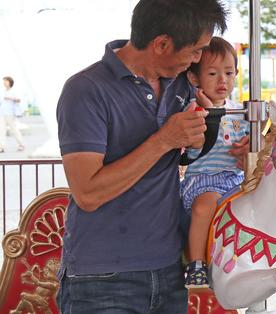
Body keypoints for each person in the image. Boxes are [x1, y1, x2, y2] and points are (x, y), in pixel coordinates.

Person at [55, 0, 227, 312]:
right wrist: (164, 140)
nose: (198, 60)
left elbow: (187, 155)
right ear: (162, 44)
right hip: (102, 277)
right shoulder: (85, 90)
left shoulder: (181, 84)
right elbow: (88, 193)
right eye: (195, 50)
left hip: (169, 267)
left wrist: (200, 137)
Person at [180, 36, 249, 288]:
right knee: (205, 206)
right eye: (212, 73)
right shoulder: (192, 111)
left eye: (229, 72)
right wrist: (206, 122)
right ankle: (196, 264)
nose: (223, 80)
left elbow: (247, 148)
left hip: (234, 179)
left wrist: (248, 149)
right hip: (203, 179)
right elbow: (191, 154)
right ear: (194, 78)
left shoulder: (241, 111)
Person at [0, 76, 25, 152]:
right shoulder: (2, 91)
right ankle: (1, 146)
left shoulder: (14, 91)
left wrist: (10, 98)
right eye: (4, 81)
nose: (4, 83)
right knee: (1, 131)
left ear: (10, 82)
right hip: (2, 114)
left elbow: (19, 100)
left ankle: (21, 144)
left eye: (6, 81)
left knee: (14, 130)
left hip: (11, 114)